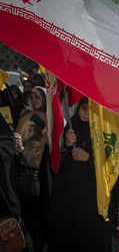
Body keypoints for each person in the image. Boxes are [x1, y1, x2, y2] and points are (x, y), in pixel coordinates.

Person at [48, 97, 113, 252]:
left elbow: (112, 166)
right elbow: (57, 166)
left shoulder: (105, 132)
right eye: (84, 108)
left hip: (92, 200)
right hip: (69, 198)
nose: (87, 113)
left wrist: (89, 158)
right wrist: (66, 145)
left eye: (91, 109)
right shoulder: (70, 128)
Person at [15, 86, 54, 252]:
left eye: (38, 97)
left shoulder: (52, 120)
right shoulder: (25, 118)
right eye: (32, 98)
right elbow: (22, 146)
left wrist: (50, 142)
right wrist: (18, 144)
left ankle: (46, 241)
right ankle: (37, 243)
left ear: (44, 100)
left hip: (46, 172)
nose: (35, 101)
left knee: (46, 207)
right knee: (33, 209)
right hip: (29, 171)